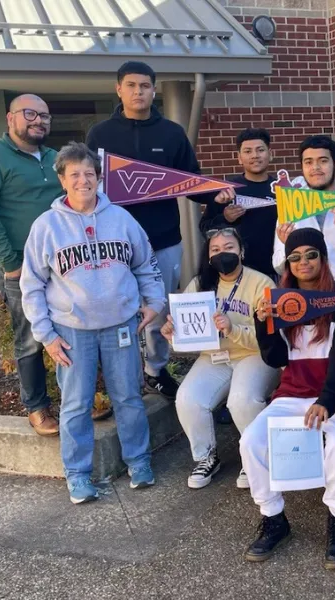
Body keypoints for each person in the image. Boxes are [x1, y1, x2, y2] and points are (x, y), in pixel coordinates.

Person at [19, 142, 165, 504]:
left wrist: (155, 303)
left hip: (120, 324)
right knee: (75, 404)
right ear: (62, 180)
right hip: (71, 331)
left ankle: (139, 461)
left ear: (99, 178)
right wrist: (46, 336)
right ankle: (78, 474)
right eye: (75, 174)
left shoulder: (122, 219)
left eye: (89, 173)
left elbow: (145, 264)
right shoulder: (46, 226)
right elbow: (31, 285)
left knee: (129, 397)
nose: (83, 180)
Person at [240, 228, 335, 570]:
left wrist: (328, 400)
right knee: (251, 441)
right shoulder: (282, 299)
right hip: (293, 391)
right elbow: (277, 359)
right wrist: (262, 321)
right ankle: (274, 518)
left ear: (323, 258)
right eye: (295, 257)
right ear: (288, 263)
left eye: (311, 255)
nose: (303, 262)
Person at [86, 60, 212, 399]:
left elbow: (192, 180)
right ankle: (121, 374)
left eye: (144, 86)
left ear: (154, 90)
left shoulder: (171, 133)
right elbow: (88, 186)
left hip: (164, 240)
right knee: (117, 310)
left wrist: (221, 194)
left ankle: (155, 370)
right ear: (119, 89)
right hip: (114, 243)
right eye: (131, 85)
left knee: (158, 311)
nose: (138, 91)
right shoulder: (100, 135)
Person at [0, 94, 62, 435]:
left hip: (64, 266)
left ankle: (77, 401)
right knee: (31, 337)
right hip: (20, 268)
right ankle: (37, 407)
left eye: (46, 116)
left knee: (70, 331)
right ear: (11, 119)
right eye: (31, 114)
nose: (39, 121)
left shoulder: (55, 158)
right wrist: (10, 263)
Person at [161, 228, 280, 490]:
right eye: (215, 250)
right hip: (214, 357)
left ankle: (257, 458)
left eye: (229, 247)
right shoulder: (199, 284)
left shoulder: (261, 284)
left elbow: (270, 338)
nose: (222, 254)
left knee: (241, 401)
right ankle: (206, 457)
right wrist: (173, 333)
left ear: (241, 251)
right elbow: (189, 335)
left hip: (253, 355)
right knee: (188, 398)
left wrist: (232, 329)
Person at [271, 135, 335, 291]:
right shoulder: (291, 203)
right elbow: (278, 266)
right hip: (308, 296)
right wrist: (287, 246)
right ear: (302, 167)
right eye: (308, 162)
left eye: (323, 161)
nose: (315, 168)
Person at [199, 128, 279, 279]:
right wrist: (225, 219)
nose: (255, 156)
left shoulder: (281, 189)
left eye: (260, 150)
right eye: (248, 151)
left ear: (270, 153)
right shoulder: (227, 190)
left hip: (277, 269)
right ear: (239, 158)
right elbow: (204, 228)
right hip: (237, 272)